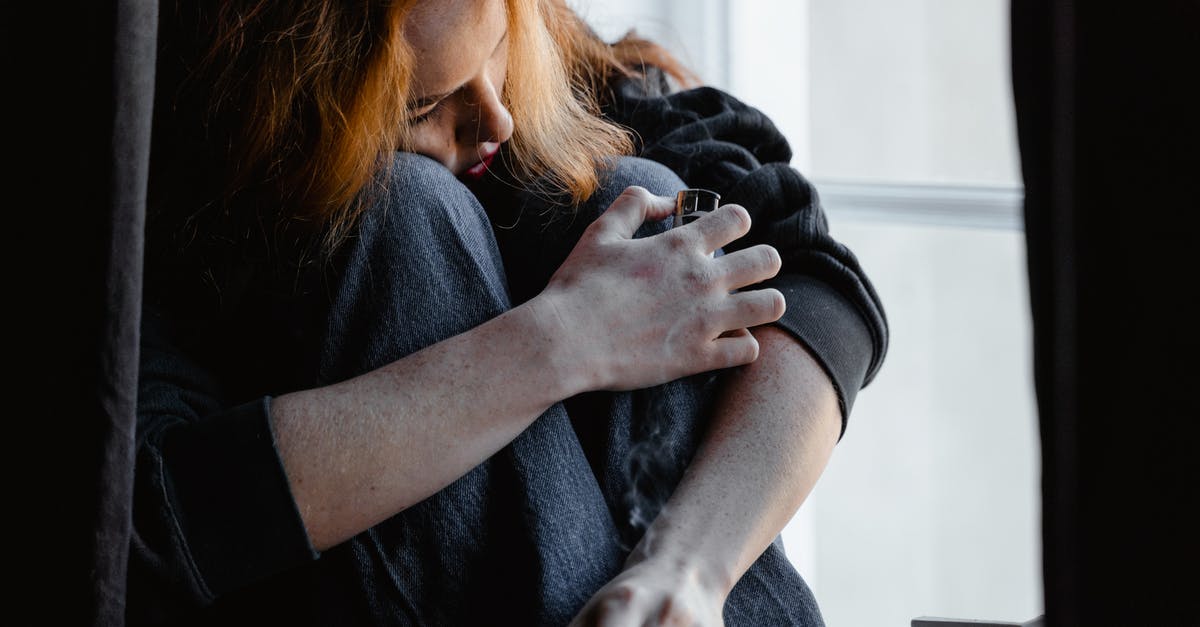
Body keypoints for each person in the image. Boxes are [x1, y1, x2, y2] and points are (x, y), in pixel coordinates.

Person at [132, 0, 888, 625]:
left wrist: (685, 566)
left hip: (691, 586)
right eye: (424, 104)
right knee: (410, 213)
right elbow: (151, 523)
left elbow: (819, 289)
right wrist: (563, 340)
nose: (493, 119)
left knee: (643, 195)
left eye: (496, 49)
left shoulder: (536, 63)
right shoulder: (162, 199)